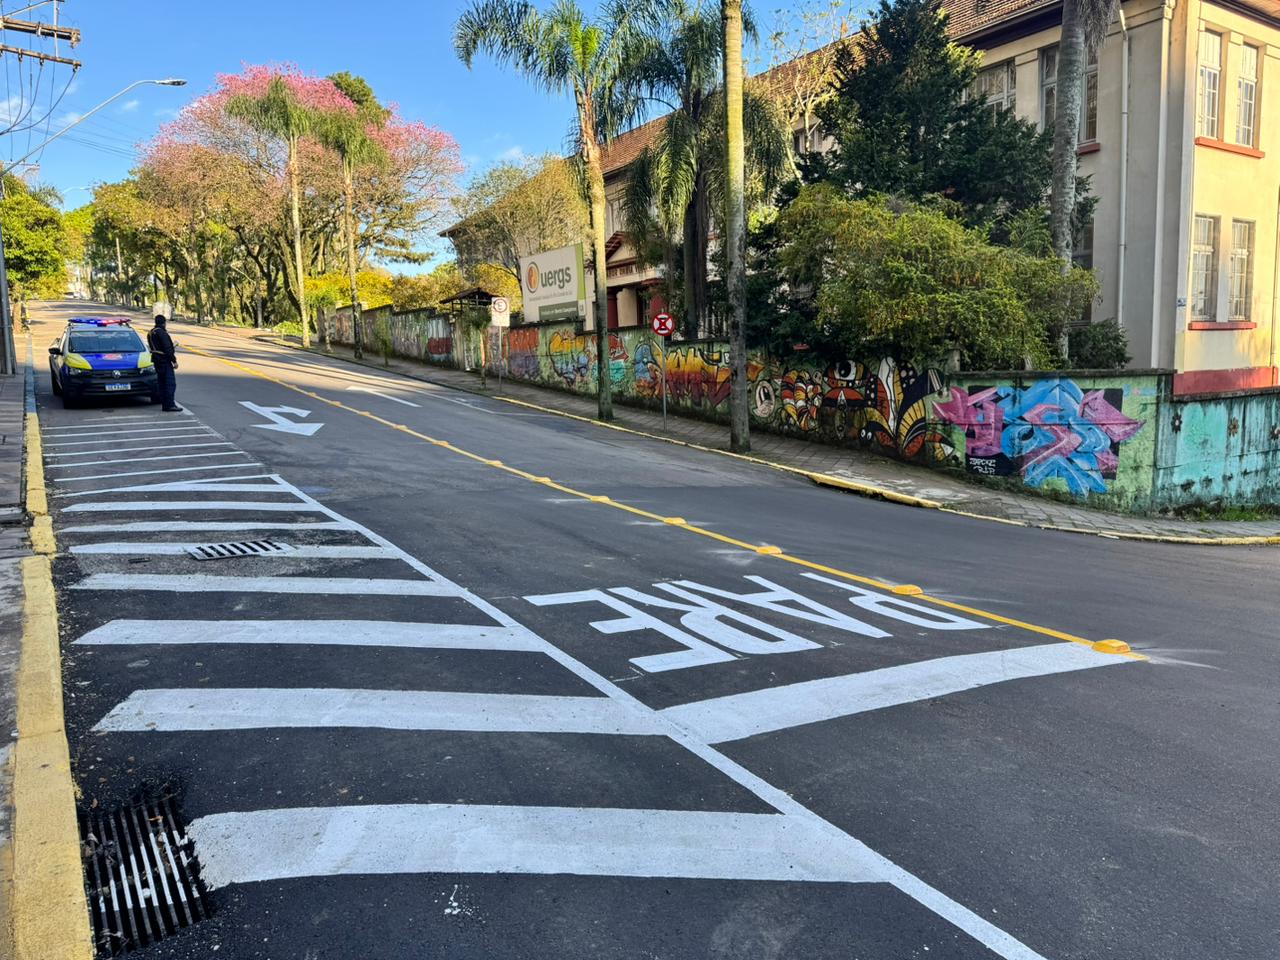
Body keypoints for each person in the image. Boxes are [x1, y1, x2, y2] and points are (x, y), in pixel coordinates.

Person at [147, 312, 181, 412]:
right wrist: (174, 361)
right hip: (164, 360)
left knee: (161, 383)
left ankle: (164, 403)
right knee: (170, 384)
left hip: (156, 360)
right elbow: (167, 348)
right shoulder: (162, 333)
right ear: (164, 323)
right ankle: (169, 405)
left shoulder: (151, 333)